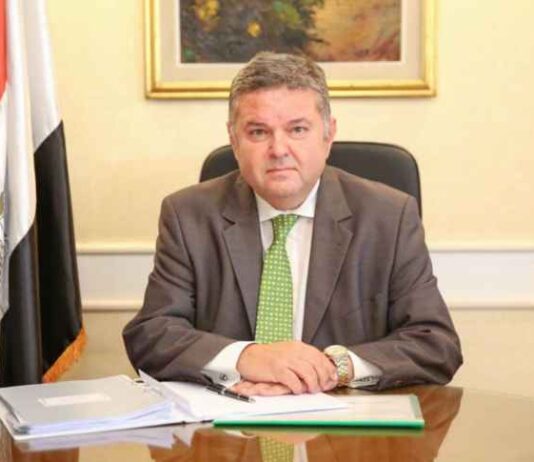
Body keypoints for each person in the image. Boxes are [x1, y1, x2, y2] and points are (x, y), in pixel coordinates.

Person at [123, 52, 462, 396]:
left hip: (344, 422)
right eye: (258, 132)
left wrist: (333, 368)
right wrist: (246, 357)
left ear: (328, 135)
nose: (278, 149)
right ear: (234, 139)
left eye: (297, 129)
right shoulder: (188, 215)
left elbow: (435, 345)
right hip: (230, 420)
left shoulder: (389, 216)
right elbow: (151, 336)